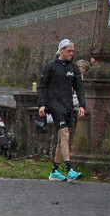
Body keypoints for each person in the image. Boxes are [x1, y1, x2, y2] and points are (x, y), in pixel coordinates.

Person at [37, 38, 86, 182]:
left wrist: (82, 105)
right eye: (69, 51)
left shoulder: (74, 69)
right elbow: (41, 86)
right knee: (65, 134)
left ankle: (55, 171)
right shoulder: (51, 66)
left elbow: (79, 88)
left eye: (73, 51)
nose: (72, 53)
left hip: (68, 105)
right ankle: (70, 169)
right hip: (54, 104)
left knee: (62, 139)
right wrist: (42, 104)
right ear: (62, 50)